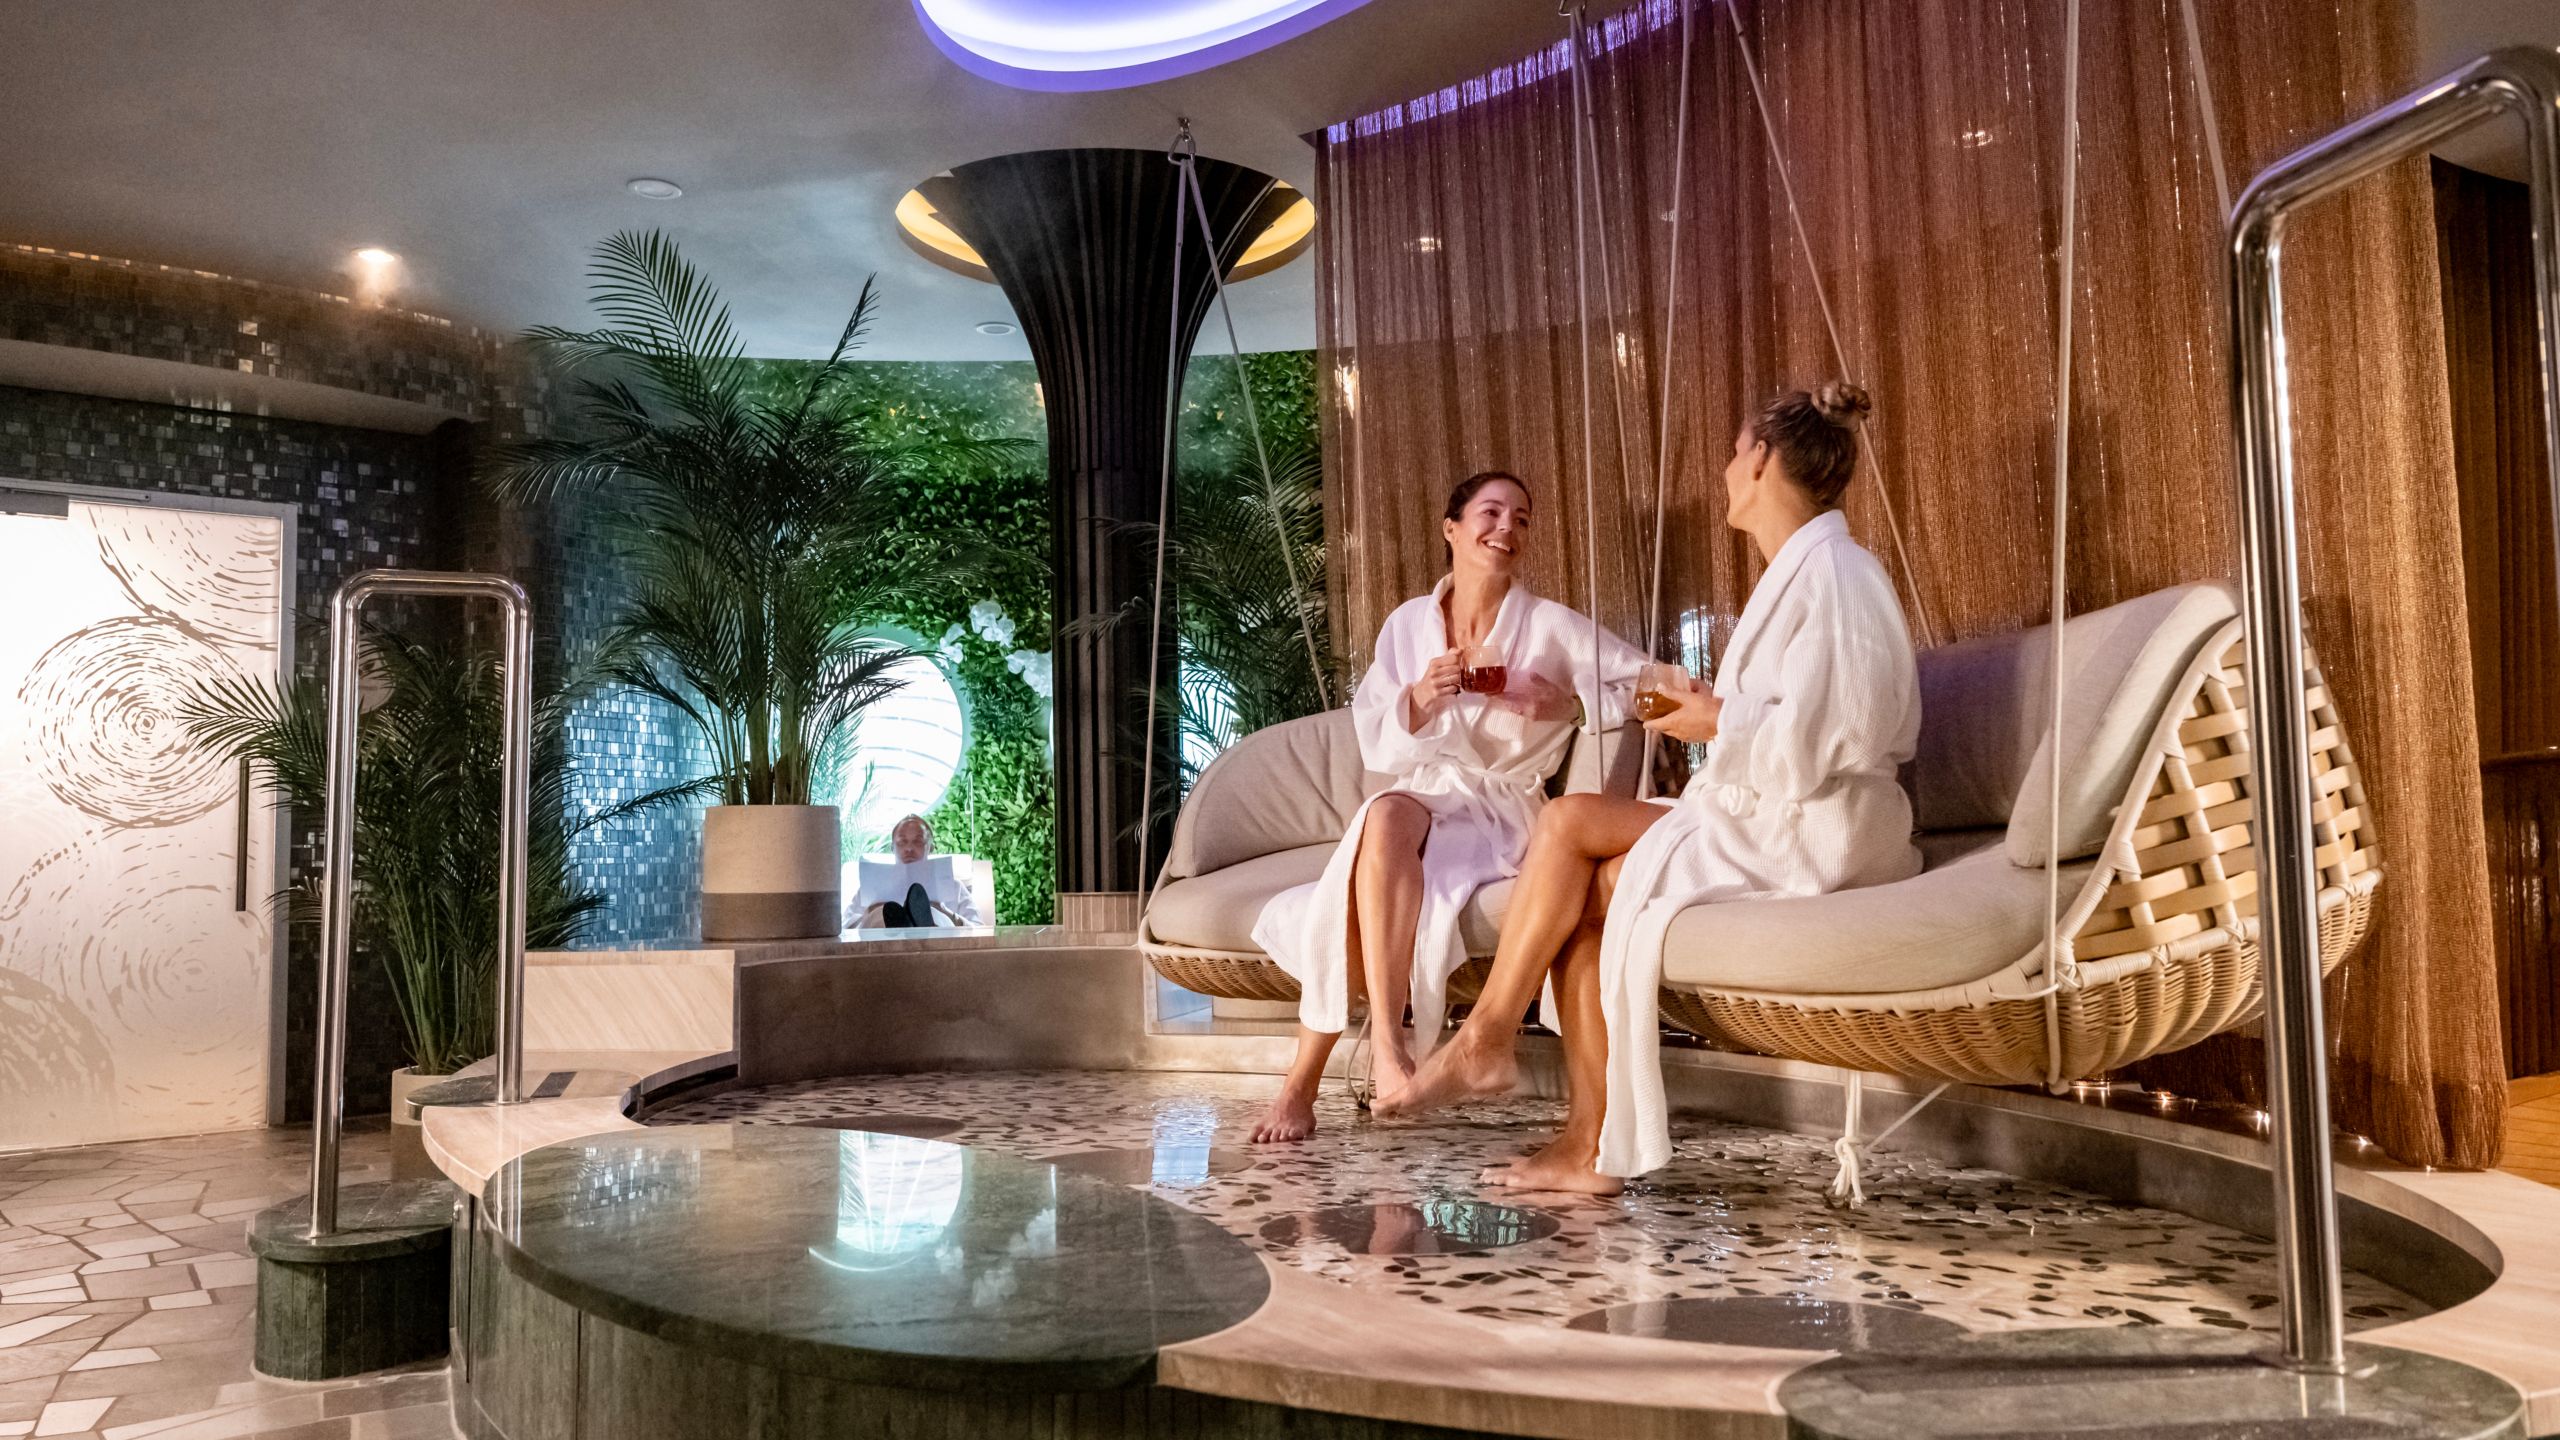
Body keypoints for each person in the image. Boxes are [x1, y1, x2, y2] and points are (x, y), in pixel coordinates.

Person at [1376, 383, 1920, 1196]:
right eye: (1488, 514)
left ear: (1764, 459)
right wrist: (1712, 716)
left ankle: (1498, 1047)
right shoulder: (1805, 573)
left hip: (1816, 824)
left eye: (1738, 452)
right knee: (1586, 872)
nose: (1729, 468)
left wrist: (1715, 722)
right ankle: (1577, 1135)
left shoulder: (1838, 574)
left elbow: (1854, 727)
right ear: (1452, 529)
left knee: (1565, 828)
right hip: (1768, 806)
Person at [1247, 471, 1645, 1143]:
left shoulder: (1549, 626)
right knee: (1384, 815)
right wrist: (1420, 699)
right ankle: (1390, 1050)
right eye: (1490, 512)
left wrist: (1568, 706)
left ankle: (1303, 1086)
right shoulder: (1409, 624)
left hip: (1500, 807)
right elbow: (1376, 728)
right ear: (1451, 528)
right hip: (1425, 790)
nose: (1507, 528)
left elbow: (1646, 687)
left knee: (1350, 890)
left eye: (1521, 518)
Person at [852, 815, 985, 929]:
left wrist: (946, 912)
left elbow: (980, 930)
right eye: (902, 842)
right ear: (892, 847)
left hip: (935, 950)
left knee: (938, 916)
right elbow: (844, 930)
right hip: (884, 951)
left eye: (918, 842)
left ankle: (926, 920)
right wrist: (869, 912)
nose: (909, 848)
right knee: (878, 915)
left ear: (931, 847)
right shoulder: (870, 891)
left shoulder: (954, 887)